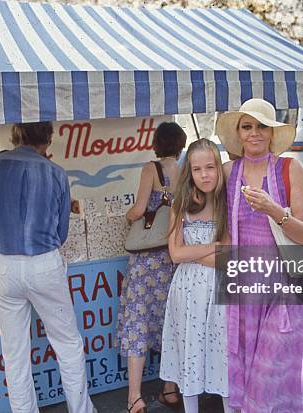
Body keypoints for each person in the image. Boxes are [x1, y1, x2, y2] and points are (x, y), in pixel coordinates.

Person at [0, 122, 96, 413]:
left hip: (3, 264)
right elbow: (61, 233)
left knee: (14, 353)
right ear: (48, 139)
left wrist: (2, 227)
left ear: (16, 135)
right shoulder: (56, 173)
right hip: (44, 263)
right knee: (67, 344)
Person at [216, 98, 303, 412]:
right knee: (245, 376)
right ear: (239, 133)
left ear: (272, 132)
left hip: (285, 290)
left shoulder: (291, 168)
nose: (254, 133)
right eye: (247, 126)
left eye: (262, 126)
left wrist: (275, 210)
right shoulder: (227, 171)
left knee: (268, 378)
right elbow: (221, 232)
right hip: (244, 291)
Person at [116, 122, 186, 413]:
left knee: (138, 320)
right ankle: (170, 388)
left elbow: (139, 208)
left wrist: (126, 216)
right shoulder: (187, 171)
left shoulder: (150, 169)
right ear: (181, 143)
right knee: (171, 321)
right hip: (174, 256)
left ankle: (135, 396)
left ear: (157, 143)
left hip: (147, 260)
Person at [160, 139, 232, 413]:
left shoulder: (226, 203)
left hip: (219, 289)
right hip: (187, 290)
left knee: (221, 352)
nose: (205, 175)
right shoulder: (181, 204)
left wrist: (194, 252)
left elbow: (228, 257)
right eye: (198, 169)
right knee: (190, 350)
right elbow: (175, 254)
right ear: (189, 171)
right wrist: (211, 248)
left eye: (211, 167)